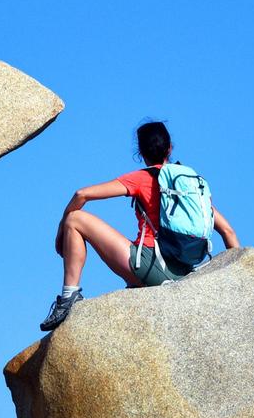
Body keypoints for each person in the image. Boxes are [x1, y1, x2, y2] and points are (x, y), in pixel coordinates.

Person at [38, 120, 240, 331]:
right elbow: (228, 232)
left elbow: (82, 194)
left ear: (141, 153)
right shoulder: (189, 191)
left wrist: (62, 228)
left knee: (75, 219)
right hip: (185, 273)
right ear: (170, 148)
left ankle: (69, 297)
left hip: (152, 267)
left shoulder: (143, 178)